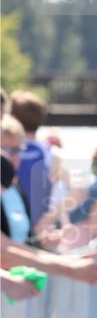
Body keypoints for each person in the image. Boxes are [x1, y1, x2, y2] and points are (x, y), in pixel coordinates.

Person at [9, 90, 52, 227]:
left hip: (12, 224)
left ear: (13, 118)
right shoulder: (49, 152)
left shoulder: (6, 150)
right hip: (39, 225)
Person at [1, 117, 32, 242]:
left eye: (18, 150)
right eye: (8, 149)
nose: (14, 156)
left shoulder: (17, 188)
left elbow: (25, 240)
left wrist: (42, 241)